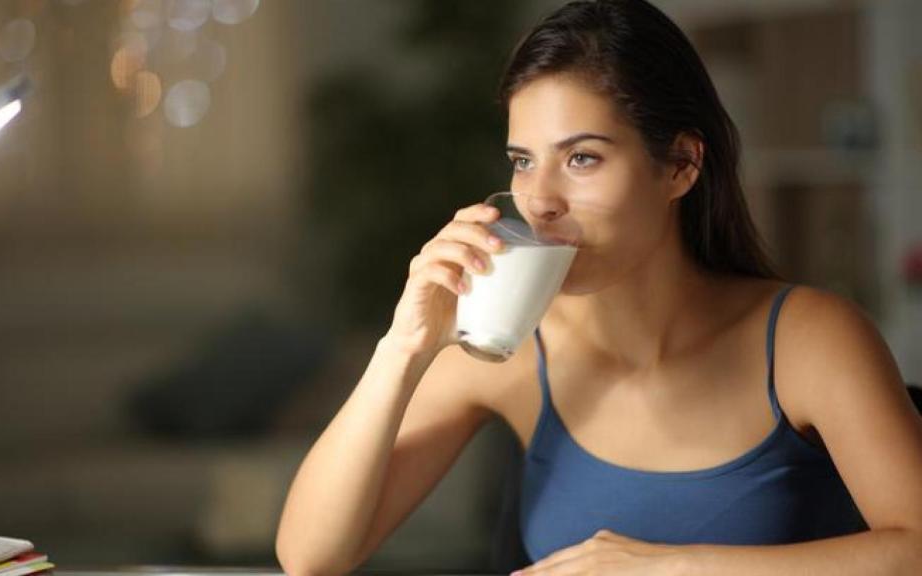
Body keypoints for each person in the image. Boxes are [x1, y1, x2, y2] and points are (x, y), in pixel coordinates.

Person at [275, 1, 922, 574]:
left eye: (582, 158)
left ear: (680, 165)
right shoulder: (509, 348)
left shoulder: (811, 340)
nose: (540, 201)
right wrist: (403, 346)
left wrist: (672, 569)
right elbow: (311, 557)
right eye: (523, 161)